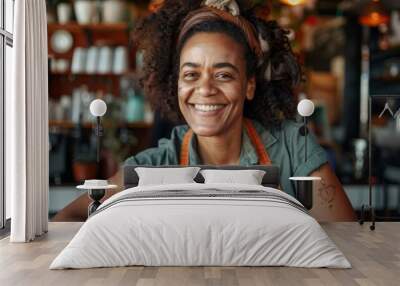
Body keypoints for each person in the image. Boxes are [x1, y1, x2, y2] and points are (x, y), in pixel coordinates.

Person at [53, 0, 355, 222]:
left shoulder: (294, 147)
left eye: (223, 74)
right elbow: (68, 219)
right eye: (191, 75)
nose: (205, 89)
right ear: (176, 85)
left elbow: (348, 240)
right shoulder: (159, 162)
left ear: (249, 85)